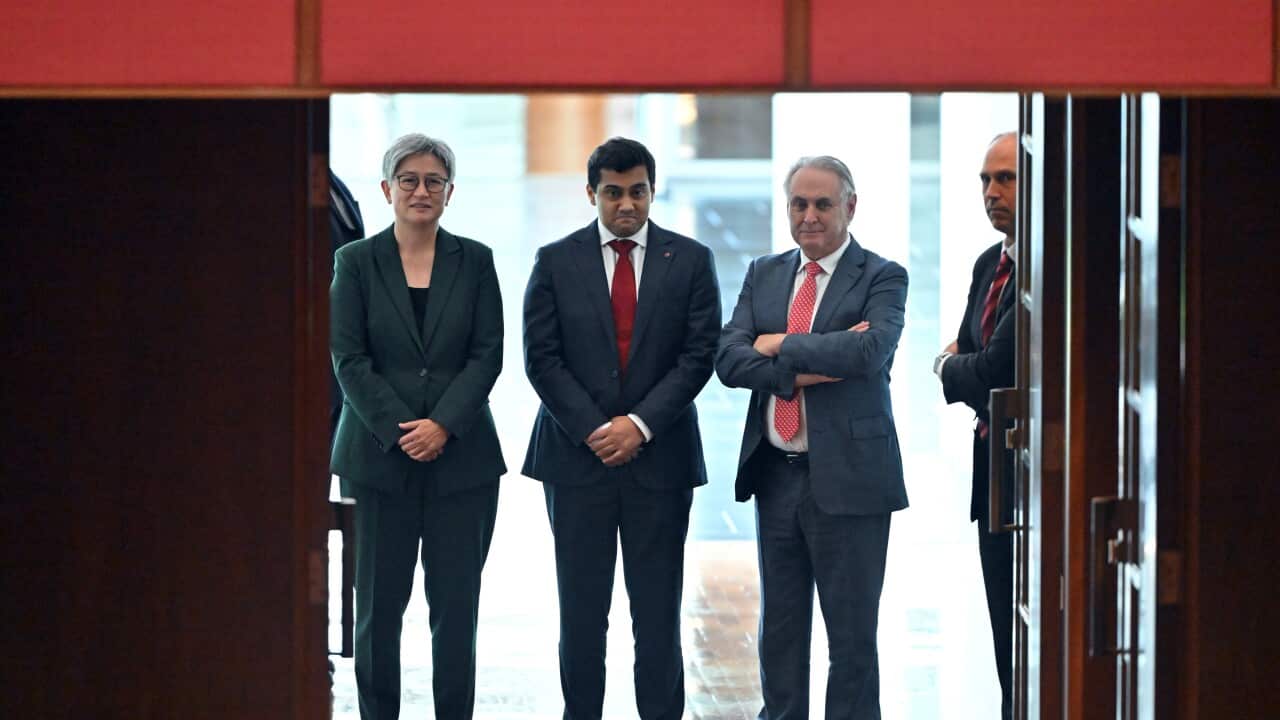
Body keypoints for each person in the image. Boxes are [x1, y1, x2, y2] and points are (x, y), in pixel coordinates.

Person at [521, 137, 721, 720]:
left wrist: (638, 425)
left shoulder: (689, 260)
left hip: (660, 462)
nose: (626, 204)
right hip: (575, 462)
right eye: (612, 192)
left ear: (653, 191)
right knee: (581, 612)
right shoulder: (556, 261)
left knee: (657, 612)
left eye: (637, 191)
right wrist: (594, 430)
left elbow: (698, 354)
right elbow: (542, 358)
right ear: (592, 194)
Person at [715, 155, 908, 720]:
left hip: (851, 480)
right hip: (777, 476)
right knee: (779, 631)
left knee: (851, 640)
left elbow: (869, 353)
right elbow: (728, 359)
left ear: (850, 206)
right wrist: (809, 361)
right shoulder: (764, 273)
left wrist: (776, 344)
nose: (810, 216)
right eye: (799, 203)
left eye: (823, 204)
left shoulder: (882, 275)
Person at [330, 134, 505, 720]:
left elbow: (488, 355)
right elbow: (348, 359)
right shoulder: (354, 262)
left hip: (465, 464)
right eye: (408, 179)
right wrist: (404, 429)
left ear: (450, 193)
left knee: (456, 611)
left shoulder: (475, 260)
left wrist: (443, 427)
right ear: (387, 190)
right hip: (377, 461)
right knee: (377, 611)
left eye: (434, 181)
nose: (421, 190)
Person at [933, 131, 1018, 720]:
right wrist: (963, 365)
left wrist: (944, 365)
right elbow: (975, 349)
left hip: (1035, 475)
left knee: (1030, 638)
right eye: (985, 180)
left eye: (1006, 178)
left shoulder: (1050, 265)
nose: (991, 192)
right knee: (1003, 633)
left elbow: (987, 368)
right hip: (991, 476)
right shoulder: (990, 262)